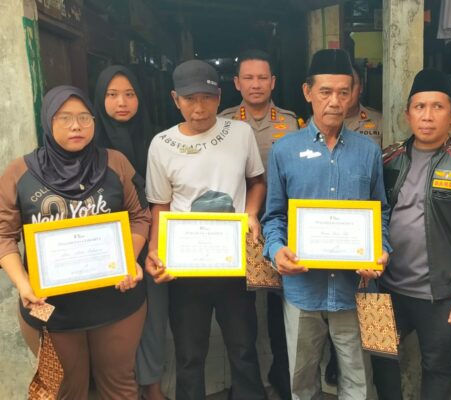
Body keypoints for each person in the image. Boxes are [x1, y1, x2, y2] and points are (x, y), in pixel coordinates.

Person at [0, 85, 151, 399]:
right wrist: (23, 284)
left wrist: (129, 259)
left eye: (84, 117)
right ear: (47, 120)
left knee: (120, 386)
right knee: (67, 390)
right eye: (64, 117)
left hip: (117, 301)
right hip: (52, 309)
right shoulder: (20, 172)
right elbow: (4, 236)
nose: (76, 126)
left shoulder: (115, 162)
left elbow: (139, 216)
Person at [262, 48, 391, 399]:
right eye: (326, 92)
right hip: (302, 290)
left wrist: (381, 249)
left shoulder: (367, 151)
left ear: (353, 94)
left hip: (354, 289)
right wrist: (277, 250)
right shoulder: (284, 150)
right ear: (308, 92)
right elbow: (274, 216)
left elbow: (380, 212)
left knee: (358, 380)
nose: (335, 101)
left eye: (343, 92)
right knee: (301, 380)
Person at [370, 69, 451, 400]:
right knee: (381, 360)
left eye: (438, 107)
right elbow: (370, 215)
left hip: (441, 294)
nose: (427, 116)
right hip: (385, 287)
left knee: (438, 367)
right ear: (407, 114)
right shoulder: (387, 159)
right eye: (420, 107)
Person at [144, 59, 267, 400]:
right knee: (189, 354)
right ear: (175, 99)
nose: (199, 108)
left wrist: (251, 214)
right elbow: (160, 205)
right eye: (189, 99)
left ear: (219, 96)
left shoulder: (240, 133)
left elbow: (257, 182)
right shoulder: (162, 145)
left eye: (207, 98)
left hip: (233, 262)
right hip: (186, 268)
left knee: (243, 346)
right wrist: (155, 249)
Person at [219, 49, 295, 400]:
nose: (255, 84)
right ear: (236, 83)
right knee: (241, 311)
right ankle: (245, 383)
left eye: (262, 77)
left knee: (282, 306)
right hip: (239, 228)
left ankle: (282, 374)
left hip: (280, 226)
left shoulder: (292, 123)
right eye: (248, 78)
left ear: (273, 82)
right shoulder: (223, 122)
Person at [93, 66, 167, 400]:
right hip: (104, 250)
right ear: (99, 99)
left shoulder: (157, 142)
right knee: (115, 325)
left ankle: (153, 386)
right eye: (112, 95)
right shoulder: (88, 145)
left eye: (129, 94)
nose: (121, 102)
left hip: (151, 244)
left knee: (155, 318)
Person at [344, 63, 383, 147]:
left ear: (361, 87)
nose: (346, 91)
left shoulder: (378, 121)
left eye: (352, 84)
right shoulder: (318, 123)